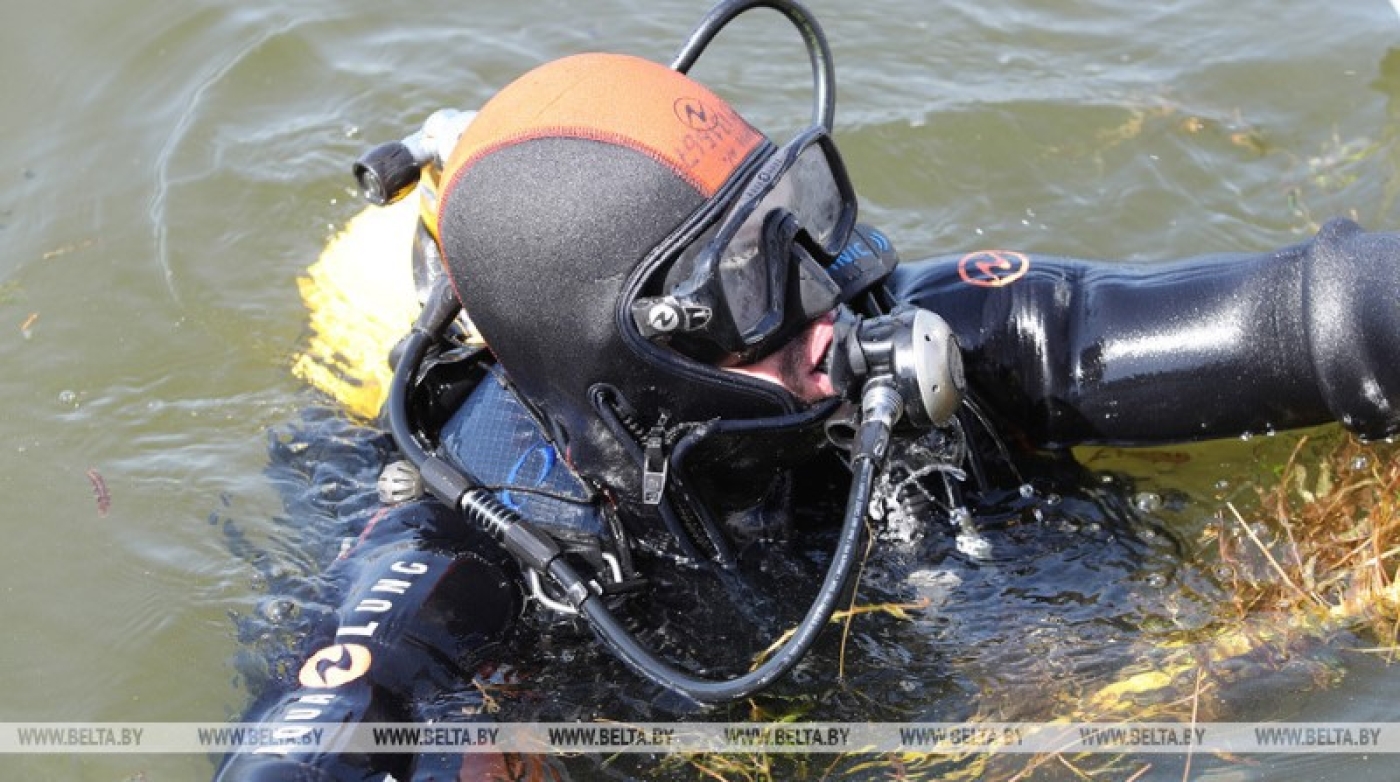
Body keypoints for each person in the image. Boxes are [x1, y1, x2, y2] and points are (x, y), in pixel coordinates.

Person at [213, 2, 1400, 779]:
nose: (823, 299)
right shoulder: (462, 556)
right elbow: (312, 740)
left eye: (794, 219)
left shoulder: (920, 335)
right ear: (631, 371)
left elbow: (1316, 315)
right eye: (742, 282)